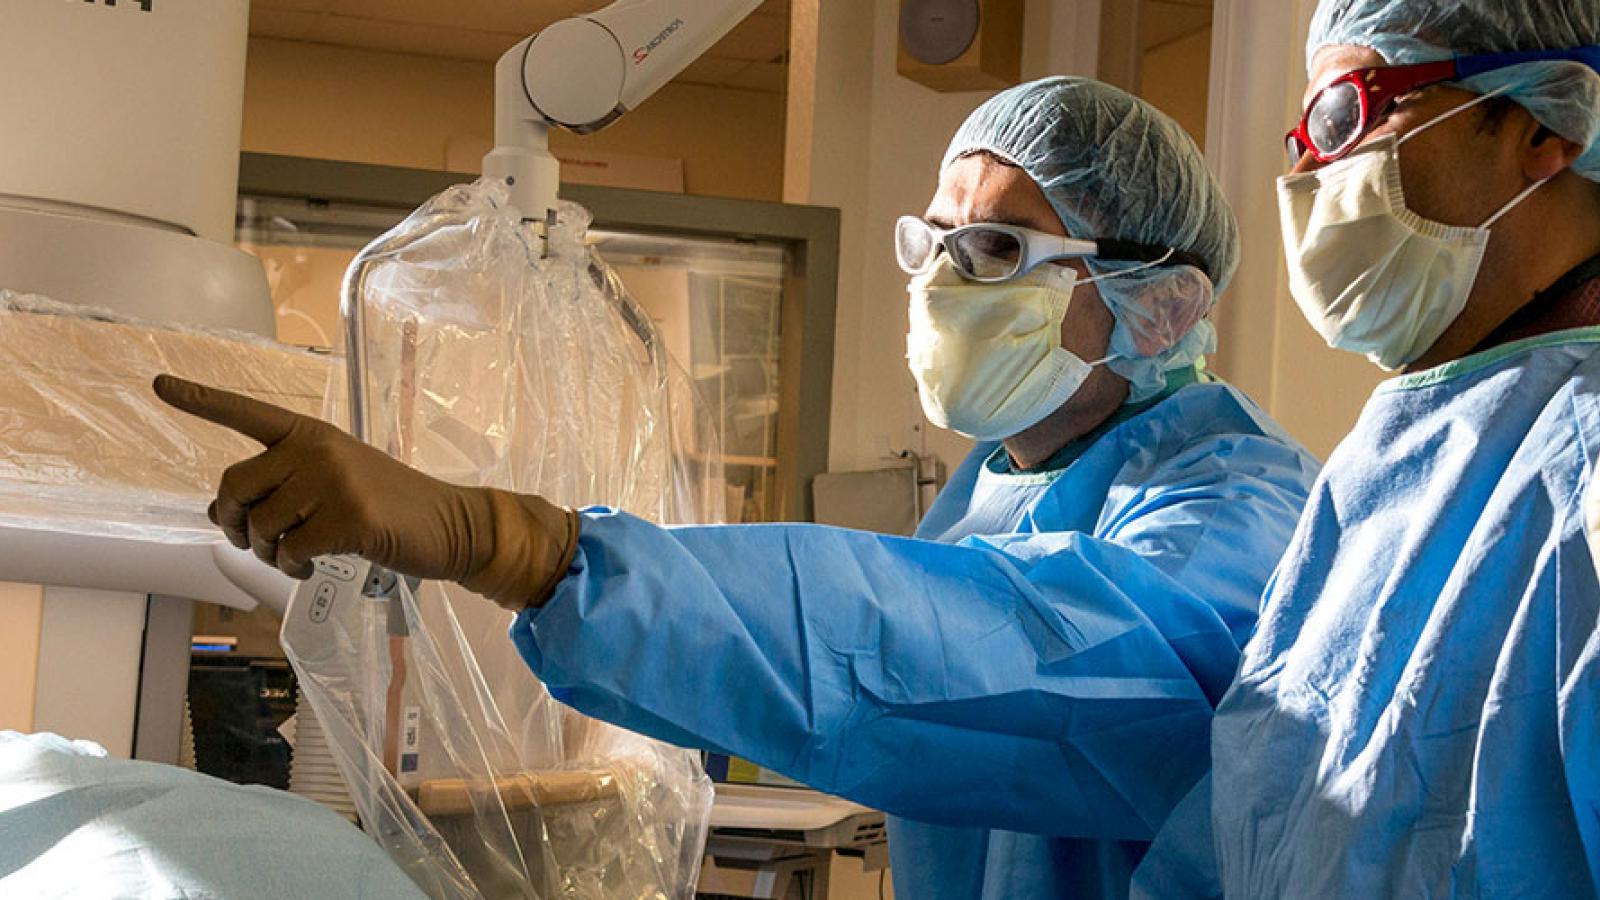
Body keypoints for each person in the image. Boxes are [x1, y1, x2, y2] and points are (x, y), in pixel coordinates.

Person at [156, 77, 1319, 899]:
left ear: (1153, 299)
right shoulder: (1000, 483)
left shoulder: (1239, 510)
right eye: (938, 242)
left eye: (1000, 251)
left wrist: (519, 546)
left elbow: (991, 653)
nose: (942, 285)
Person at [1206, 2, 1600, 896]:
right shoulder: (1375, 475)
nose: (1307, 164)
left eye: (1344, 113)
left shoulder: (1584, 474)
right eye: (1301, 133)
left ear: (1544, 123)